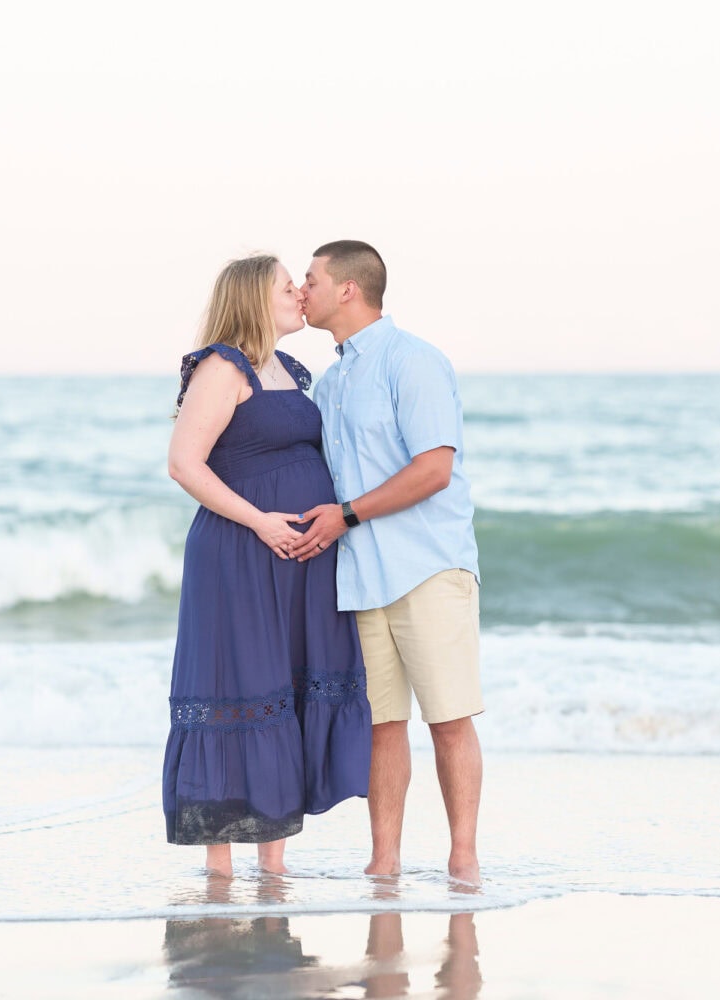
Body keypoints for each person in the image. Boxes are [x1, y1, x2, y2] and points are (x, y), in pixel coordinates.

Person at [162, 253, 372, 877]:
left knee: (283, 689)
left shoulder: (292, 371)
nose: (301, 295)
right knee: (238, 687)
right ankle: (220, 872)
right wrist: (259, 520)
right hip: (240, 554)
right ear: (256, 298)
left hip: (298, 560)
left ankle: (273, 868)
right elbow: (184, 464)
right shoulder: (222, 367)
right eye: (289, 287)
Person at [290, 240, 485, 884]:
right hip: (360, 575)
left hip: (427, 566)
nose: (302, 290)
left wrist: (345, 515)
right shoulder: (331, 380)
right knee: (381, 725)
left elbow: (433, 470)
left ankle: (463, 860)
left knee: (449, 721)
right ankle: (385, 863)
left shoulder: (415, 362)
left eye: (311, 280)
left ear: (348, 288)